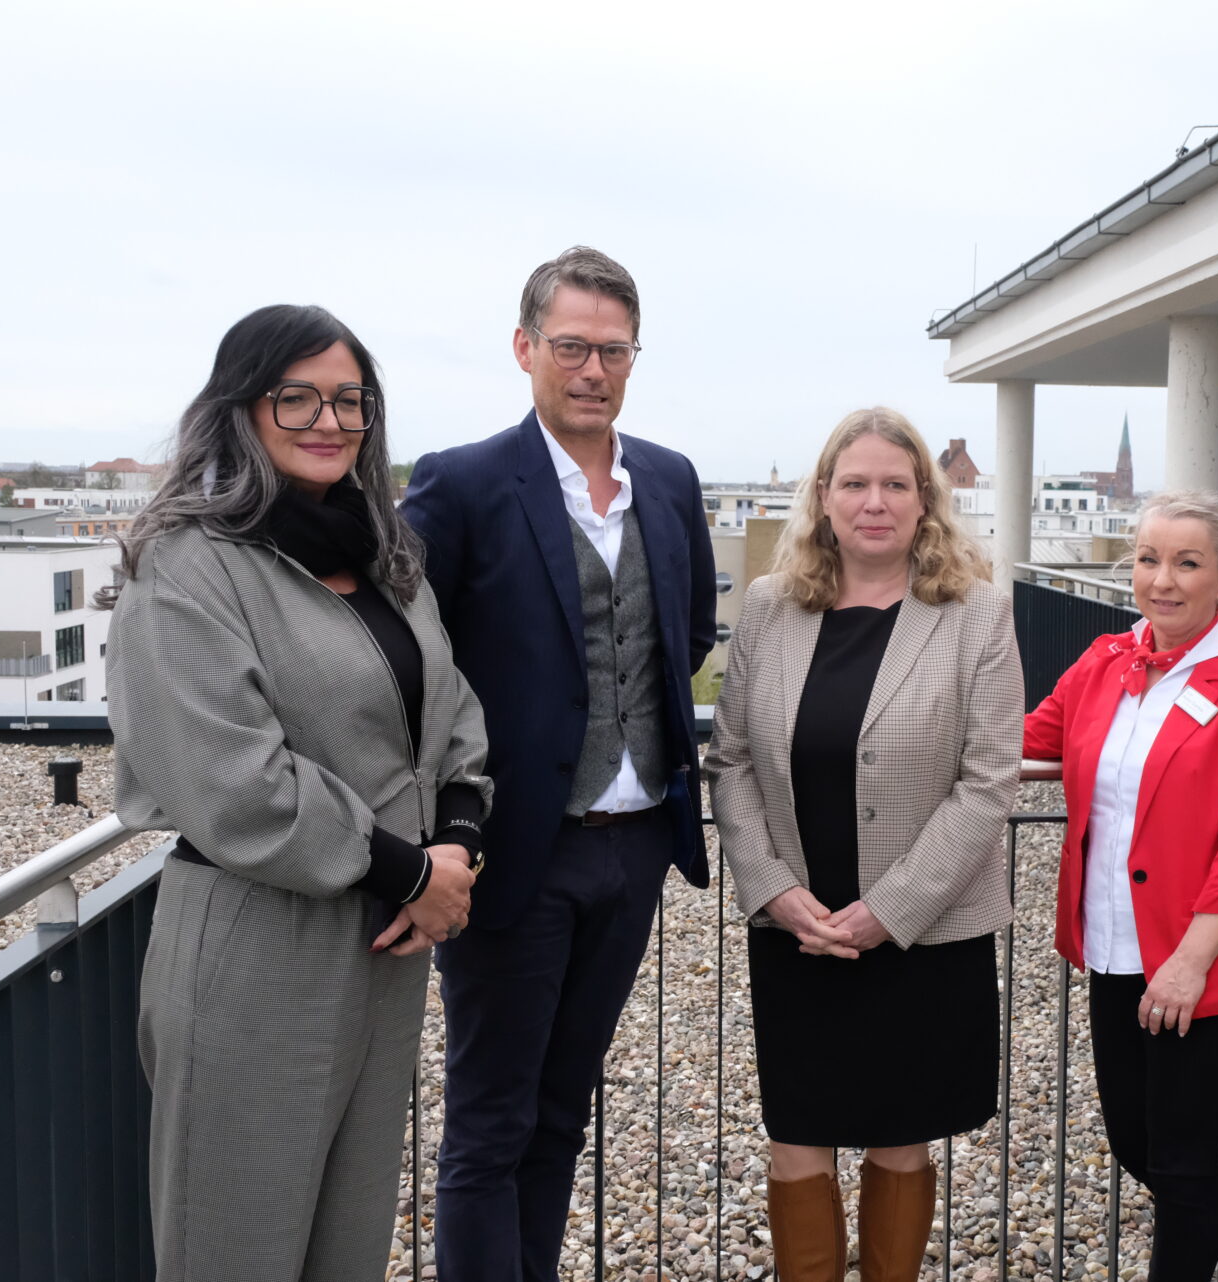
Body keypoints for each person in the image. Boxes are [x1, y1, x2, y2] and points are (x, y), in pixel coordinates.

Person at [106, 304, 491, 1282]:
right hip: (255, 950)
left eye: (350, 400)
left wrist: (456, 844)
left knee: (346, 1250)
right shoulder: (187, 568)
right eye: (299, 396)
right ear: (241, 408)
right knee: (233, 1247)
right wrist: (413, 874)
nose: (329, 419)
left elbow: (454, 719)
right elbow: (235, 782)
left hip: (382, 950)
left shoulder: (384, 558)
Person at [401, 245, 716, 1281]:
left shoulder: (667, 480)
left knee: (560, 1114)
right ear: (526, 347)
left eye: (612, 350)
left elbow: (690, 628)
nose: (593, 368)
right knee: (489, 1123)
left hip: (632, 853)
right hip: (510, 851)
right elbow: (409, 653)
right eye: (572, 345)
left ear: (634, 356)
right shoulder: (463, 481)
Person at [706, 407, 1020, 1282]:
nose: (873, 501)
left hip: (917, 933)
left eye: (894, 484)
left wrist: (891, 911)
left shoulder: (975, 614)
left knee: (900, 1141)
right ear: (823, 498)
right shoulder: (771, 609)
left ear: (926, 501)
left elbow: (989, 778)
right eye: (854, 483)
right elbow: (727, 759)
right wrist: (770, 888)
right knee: (796, 1140)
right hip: (799, 926)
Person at [1021, 491, 1218, 1282]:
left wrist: (1189, 960)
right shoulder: (1105, 660)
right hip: (1113, 948)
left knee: (1180, 1162)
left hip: (1205, 968)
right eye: (1148, 558)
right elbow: (1029, 737)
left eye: (1186, 563)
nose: (1162, 580)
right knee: (1140, 1147)